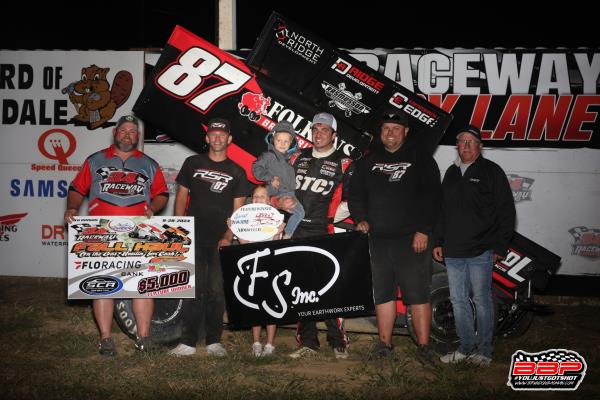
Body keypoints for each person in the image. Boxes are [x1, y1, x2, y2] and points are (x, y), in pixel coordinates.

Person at [64, 114, 169, 356]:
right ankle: (106, 339)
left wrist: (153, 207)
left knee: (142, 286)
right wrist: (72, 207)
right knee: (103, 286)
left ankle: (143, 338)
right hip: (101, 231)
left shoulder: (149, 164)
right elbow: (77, 188)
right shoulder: (95, 160)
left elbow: (162, 193)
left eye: (133, 131)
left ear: (138, 136)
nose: (128, 134)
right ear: (115, 133)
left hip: (139, 231)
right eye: (124, 130)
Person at [347, 112, 441, 363]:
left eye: (396, 128)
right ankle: (384, 345)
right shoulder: (368, 161)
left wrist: (424, 230)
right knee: (383, 293)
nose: (390, 132)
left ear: (406, 131)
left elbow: (433, 197)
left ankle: (424, 346)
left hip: (412, 240)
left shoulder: (421, 159)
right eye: (386, 128)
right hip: (377, 240)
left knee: (417, 294)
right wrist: (360, 219)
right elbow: (355, 196)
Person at [168, 117, 251, 357]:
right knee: (193, 288)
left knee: (216, 290)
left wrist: (228, 235)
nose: (217, 138)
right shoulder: (192, 162)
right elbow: (182, 197)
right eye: (213, 134)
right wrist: (178, 226)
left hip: (220, 240)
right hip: (192, 235)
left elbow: (238, 210)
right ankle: (188, 342)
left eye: (221, 134)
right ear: (207, 138)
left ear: (229, 139)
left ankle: (214, 340)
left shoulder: (237, 172)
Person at [433, 125, 515, 367]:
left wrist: (500, 246)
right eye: (462, 141)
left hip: (481, 249)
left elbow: (506, 211)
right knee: (458, 301)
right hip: (453, 251)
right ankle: (466, 347)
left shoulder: (492, 171)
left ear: (480, 146)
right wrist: (438, 241)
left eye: (471, 141)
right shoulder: (450, 172)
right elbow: (441, 211)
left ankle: (485, 351)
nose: (466, 145)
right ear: (457, 146)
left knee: (481, 300)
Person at [278, 112, 353, 359]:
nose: (318, 133)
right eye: (315, 129)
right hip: (296, 230)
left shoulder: (345, 162)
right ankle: (308, 341)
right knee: (301, 287)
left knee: (329, 287)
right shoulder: (297, 157)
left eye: (324, 130)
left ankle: (338, 340)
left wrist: (332, 217)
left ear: (334, 135)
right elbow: (279, 189)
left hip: (325, 230)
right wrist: (281, 203)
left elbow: (355, 199)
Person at [230, 184, 285, 356]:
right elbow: (244, 244)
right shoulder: (245, 218)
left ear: (269, 201)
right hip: (252, 266)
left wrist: (278, 231)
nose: (258, 199)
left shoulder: (276, 219)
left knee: (270, 305)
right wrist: (235, 228)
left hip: (270, 266)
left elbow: (275, 244)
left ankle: (269, 344)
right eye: (255, 196)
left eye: (262, 196)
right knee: (254, 305)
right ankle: (256, 343)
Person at [252, 121, 304, 239]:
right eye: (279, 140)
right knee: (298, 213)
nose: (282, 144)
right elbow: (256, 168)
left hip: (290, 193)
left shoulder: (292, 158)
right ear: (272, 139)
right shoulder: (268, 155)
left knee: (295, 215)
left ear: (291, 143)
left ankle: (282, 236)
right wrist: (270, 178)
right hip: (275, 192)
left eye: (286, 141)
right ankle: (286, 236)